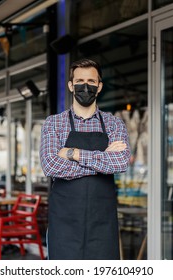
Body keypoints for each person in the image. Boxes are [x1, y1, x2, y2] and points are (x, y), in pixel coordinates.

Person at [39, 58, 131, 260]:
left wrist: (73, 153)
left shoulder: (114, 124)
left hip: (102, 223)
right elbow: (51, 166)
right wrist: (103, 160)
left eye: (91, 82)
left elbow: (121, 162)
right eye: (80, 81)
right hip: (64, 223)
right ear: (71, 85)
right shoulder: (53, 123)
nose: (86, 86)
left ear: (99, 87)